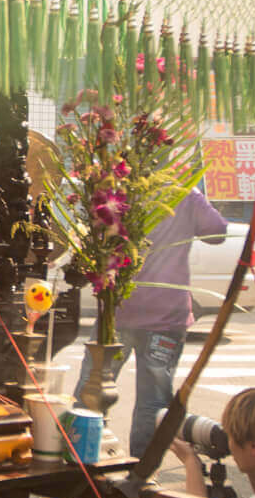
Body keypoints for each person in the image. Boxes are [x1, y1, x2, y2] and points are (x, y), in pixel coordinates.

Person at [80, 187, 228, 456]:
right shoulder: (185, 193)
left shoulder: (120, 187)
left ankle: (85, 457)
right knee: (153, 402)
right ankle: (141, 473)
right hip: (164, 315)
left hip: (119, 312)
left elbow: (93, 232)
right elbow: (217, 231)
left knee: (91, 391)